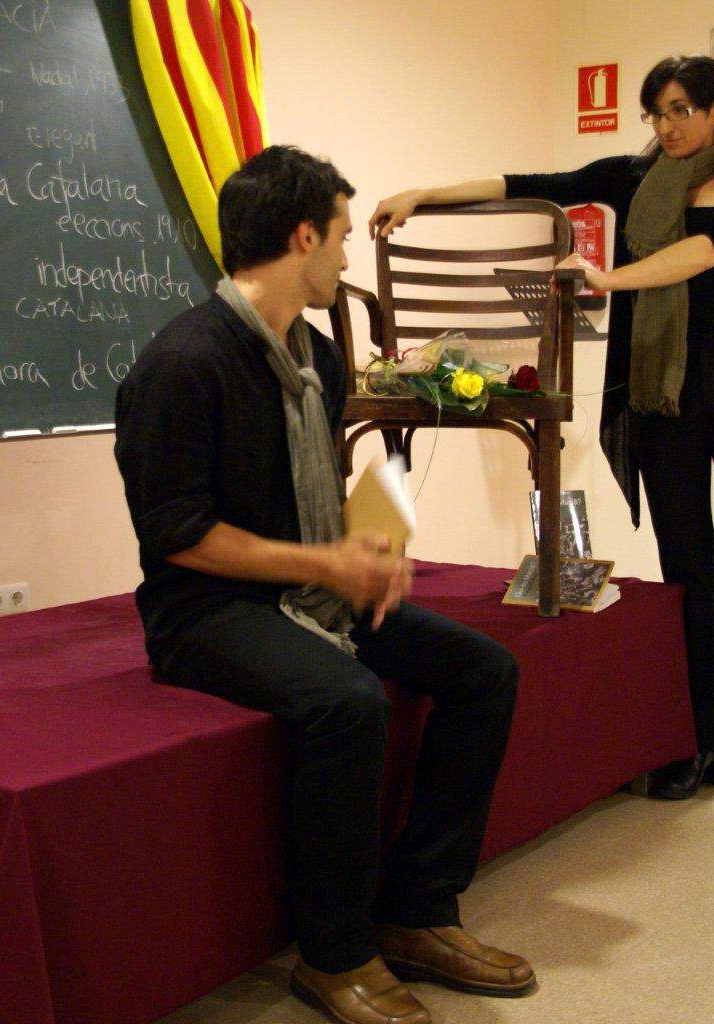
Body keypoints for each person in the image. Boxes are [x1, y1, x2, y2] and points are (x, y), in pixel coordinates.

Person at [115, 145, 534, 1024]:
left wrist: (364, 550)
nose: (347, 256)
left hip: (307, 588)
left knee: (485, 670)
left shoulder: (319, 357)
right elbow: (177, 537)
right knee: (349, 702)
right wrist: (328, 566)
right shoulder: (182, 363)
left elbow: (309, 494)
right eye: (342, 236)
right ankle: (334, 953)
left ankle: (417, 909)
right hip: (205, 613)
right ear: (304, 236)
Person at [370, 55, 714, 818]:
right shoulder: (634, 180)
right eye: (655, 114)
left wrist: (608, 279)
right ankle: (701, 740)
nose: (666, 127)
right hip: (661, 404)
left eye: (679, 110)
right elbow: (527, 182)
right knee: (686, 576)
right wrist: (423, 195)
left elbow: (704, 255)